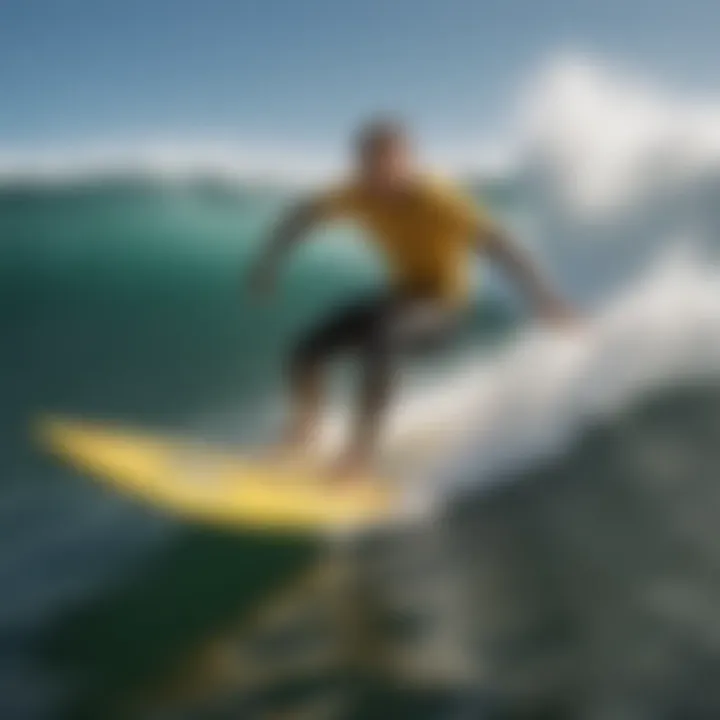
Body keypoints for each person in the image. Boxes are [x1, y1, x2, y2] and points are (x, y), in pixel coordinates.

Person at [249, 119, 572, 477]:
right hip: (399, 298)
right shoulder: (354, 192)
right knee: (306, 349)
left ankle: (359, 456)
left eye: (389, 165)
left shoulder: (440, 200)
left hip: (443, 310)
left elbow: (500, 246)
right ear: (360, 165)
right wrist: (270, 262)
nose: (380, 177)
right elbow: (303, 216)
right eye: (370, 165)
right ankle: (305, 428)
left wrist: (544, 299)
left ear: (407, 161)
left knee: (379, 341)